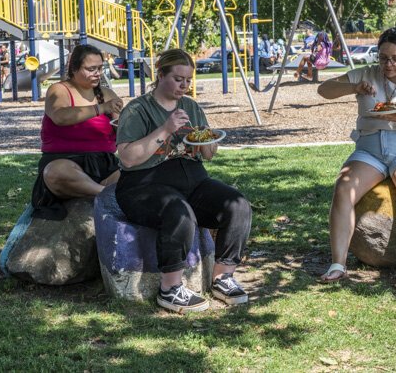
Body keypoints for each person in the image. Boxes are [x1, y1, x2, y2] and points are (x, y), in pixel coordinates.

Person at [115, 49, 252, 312]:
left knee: (238, 205)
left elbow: (208, 155)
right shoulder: (138, 109)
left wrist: (207, 141)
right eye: (178, 79)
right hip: (143, 185)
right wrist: (166, 129)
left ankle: (223, 277)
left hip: (193, 181)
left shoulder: (191, 106)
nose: (184, 85)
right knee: (179, 212)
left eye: (188, 80)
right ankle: (170, 289)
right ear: (160, 74)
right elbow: (129, 158)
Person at [317, 27, 396, 288]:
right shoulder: (366, 74)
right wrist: (354, 87)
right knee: (344, 188)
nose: (388, 64)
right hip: (370, 147)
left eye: (395, 58)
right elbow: (324, 89)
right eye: (383, 58)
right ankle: (338, 264)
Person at [30, 45, 124, 220]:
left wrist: (126, 123)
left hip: (105, 164)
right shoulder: (58, 90)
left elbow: (122, 133)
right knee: (55, 172)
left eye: (100, 68)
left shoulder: (107, 94)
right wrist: (101, 108)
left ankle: (101, 191)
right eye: (91, 69)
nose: (97, 73)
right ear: (74, 69)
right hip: (65, 162)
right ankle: (105, 193)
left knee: (135, 172)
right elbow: (60, 117)